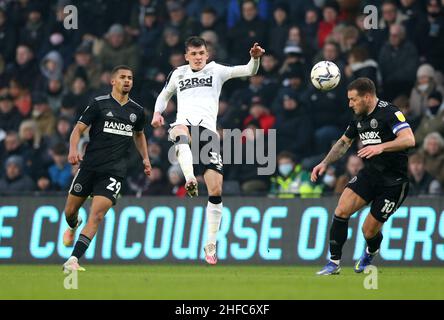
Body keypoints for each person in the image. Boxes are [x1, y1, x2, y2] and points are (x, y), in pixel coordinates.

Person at [151, 36, 265, 265]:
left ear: (207, 54)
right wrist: (157, 113)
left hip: (208, 133)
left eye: (201, 53)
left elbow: (248, 71)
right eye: (193, 54)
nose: (198, 58)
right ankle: (190, 178)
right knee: (179, 132)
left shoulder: (216, 70)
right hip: (183, 124)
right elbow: (164, 96)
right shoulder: (178, 73)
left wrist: (254, 59)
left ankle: (210, 243)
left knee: (216, 189)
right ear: (186, 56)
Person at [311, 77, 415, 275]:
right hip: (370, 175)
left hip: (393, 182)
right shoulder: (358, 116)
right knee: (341, 210)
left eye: (353, 99)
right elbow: (343, 142)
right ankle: (333, 263)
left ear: (367, 97)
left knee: (368, 230)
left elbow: (409, 139)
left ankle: (371, 251)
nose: (350, 104)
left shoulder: (390, 112)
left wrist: (381, 147)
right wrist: (324, 163)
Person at [62, 65, 151, 272]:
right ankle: (73, 225)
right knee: (70, 211)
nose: (127, 80)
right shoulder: (99, 104)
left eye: (130, 77)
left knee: (98, 215)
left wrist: (145, 158)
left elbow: (139, 134)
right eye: (122, 77)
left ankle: (73, 259)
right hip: (90, 167)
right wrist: (72, 149)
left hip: (114, 172)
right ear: (113, 81)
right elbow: (78, 129)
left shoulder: (137, 111)